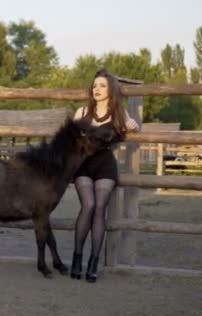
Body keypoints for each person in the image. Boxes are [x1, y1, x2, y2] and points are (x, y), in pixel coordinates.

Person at [70, 68, 140, 283]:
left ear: (111, 90)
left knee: (101, 208)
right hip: (83, 164)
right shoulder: (82, 113)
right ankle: (77, 258)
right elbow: (70, 139)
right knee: (88, 205)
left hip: (105, 166)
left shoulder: (119, 113)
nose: (97, 89)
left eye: (102, 86)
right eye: (95, 86)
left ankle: (93, 262)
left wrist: (132, 125)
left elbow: (134, 126)